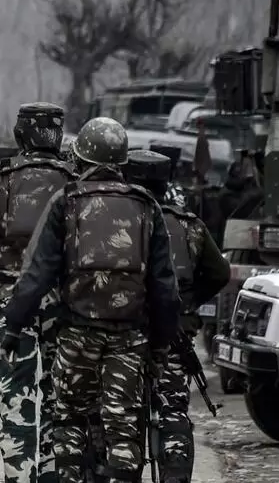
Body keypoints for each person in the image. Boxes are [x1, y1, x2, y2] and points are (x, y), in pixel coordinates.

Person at [0, 117, 181, 483]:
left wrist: (14, 326)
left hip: (77, 335)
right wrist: (160, 345)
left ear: (80, 157)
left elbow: (37, 272)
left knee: (69, 421)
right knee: (123, 425)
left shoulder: (66, 201)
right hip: (130, 339)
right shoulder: (145, 205)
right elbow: (164, 286)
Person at [0, 102, 76, 483]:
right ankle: (54, 472)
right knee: (60, 390)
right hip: (66, 300)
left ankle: (19, 474)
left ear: (21, 134)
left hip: (11, 299)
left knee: (16, 391)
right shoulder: (75, 177)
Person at [123, 149, 230, 483]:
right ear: (165, 182)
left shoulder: (113, 218)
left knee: (120, 413)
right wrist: (188, 303)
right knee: (173, 411)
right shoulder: (188, 225)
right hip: (175, 334)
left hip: (124, 334)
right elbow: (220, 273)